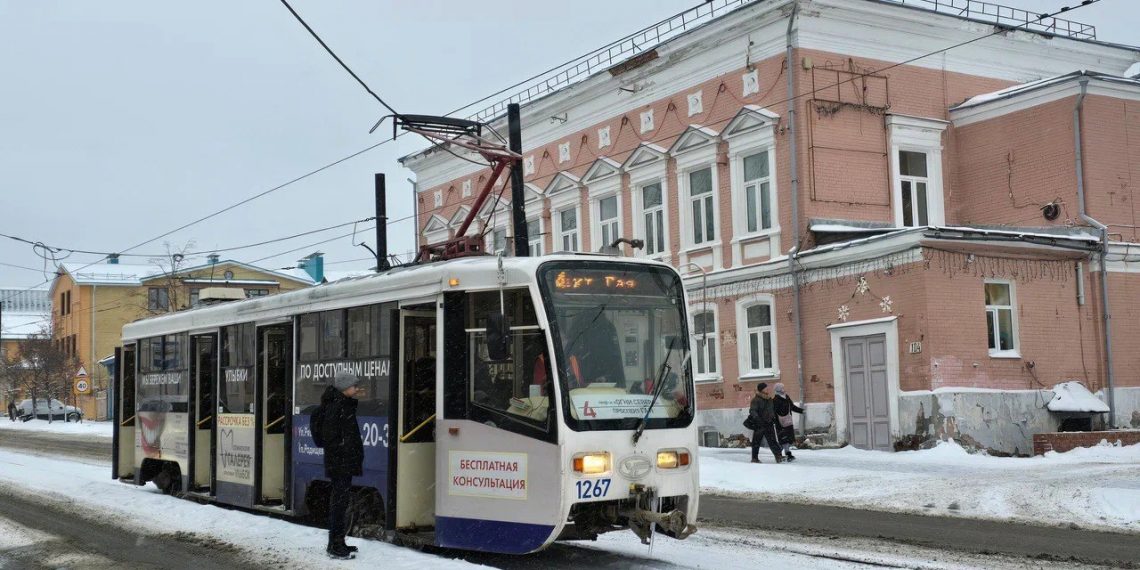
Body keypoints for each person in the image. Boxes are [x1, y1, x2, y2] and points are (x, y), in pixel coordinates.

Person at [320, 371, 365, 560]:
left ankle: (339, 541)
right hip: (340, 464)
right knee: (339, 504)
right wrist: (345, 454)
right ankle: (335, 545)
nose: (356, 389)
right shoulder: (337, 407)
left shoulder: (342, 405)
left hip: (343, 463)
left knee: (341, 503)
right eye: (354, 386)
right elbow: (332, 439)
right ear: (345, 387)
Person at [748, 383, 784, 464]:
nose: (768, 389)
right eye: (766, 388)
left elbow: (771, 410)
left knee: (772, 441)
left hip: (769, 423)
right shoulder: (756, 400)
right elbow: (752, 411)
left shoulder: (769, 399)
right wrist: (757, 419)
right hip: (759, 424)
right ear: (761, 389)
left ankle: (778, 456)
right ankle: (754, 458)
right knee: (756, 442)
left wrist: (774, 418)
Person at [772, 382, 805, 462]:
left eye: (783, 387)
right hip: (780, 422)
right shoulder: (775, 400)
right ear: (778, 390)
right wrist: (775, 421)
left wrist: (801, 411)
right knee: (784, 438)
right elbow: (774, 412)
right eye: (782, 388)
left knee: (790, 439)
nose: (784, 389)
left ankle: (780, 451)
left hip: (788, 420)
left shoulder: (786, 397)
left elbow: (792, 406)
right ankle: (786, 453)